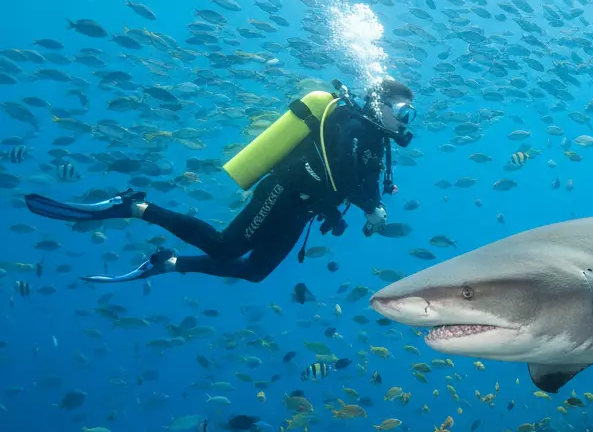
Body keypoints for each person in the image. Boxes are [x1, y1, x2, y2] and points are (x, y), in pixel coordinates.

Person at [25, 79, 415, 284]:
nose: (405, 121)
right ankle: (135, 206)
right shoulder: (350, 123)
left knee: (255, 272)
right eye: (402, 111)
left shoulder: (378, 144)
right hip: (282, 193)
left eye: (408, 114)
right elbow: (339, 170)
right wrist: (368, 207)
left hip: (303, 210)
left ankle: (168, 264)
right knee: (225, 247)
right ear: (379, 104)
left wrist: (371, 207)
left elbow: (362, 182)